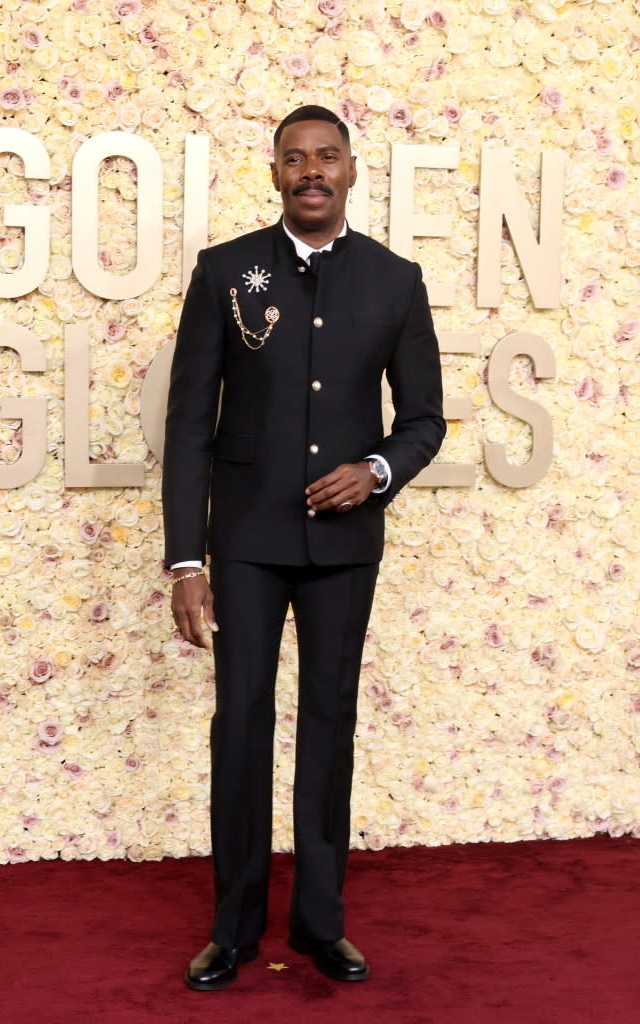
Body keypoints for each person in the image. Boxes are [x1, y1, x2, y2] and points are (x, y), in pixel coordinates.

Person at [162, 105, 446, 991]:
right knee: (238, 727)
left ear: (352, 171)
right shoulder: (225, 272)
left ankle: (322, 924)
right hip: (242, 544)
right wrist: (185, 560)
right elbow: (187, 426)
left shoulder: (396, 281)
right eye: (295, 158)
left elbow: (426, 420)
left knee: (329, 730)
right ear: (275, 172)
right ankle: (234, 930)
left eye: (327, 157)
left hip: (345, 550)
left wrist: (376, 468)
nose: (311, 170)